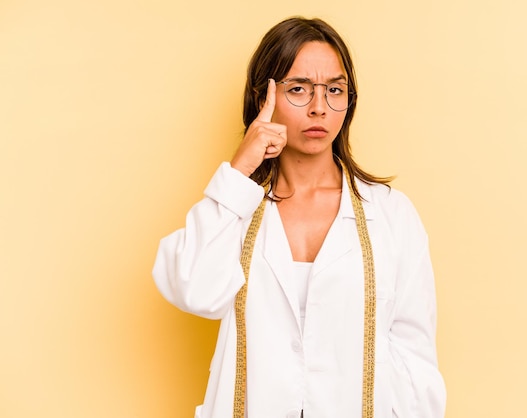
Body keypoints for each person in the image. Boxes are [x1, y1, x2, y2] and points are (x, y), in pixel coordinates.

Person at [152, 16, 446, 418]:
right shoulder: (237, 207)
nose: (319, 108)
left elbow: (415, 360)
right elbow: (193, 289)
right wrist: (238, 174)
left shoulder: (392, 215)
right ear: (263, 100)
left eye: (334, 90)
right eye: (298, 89)